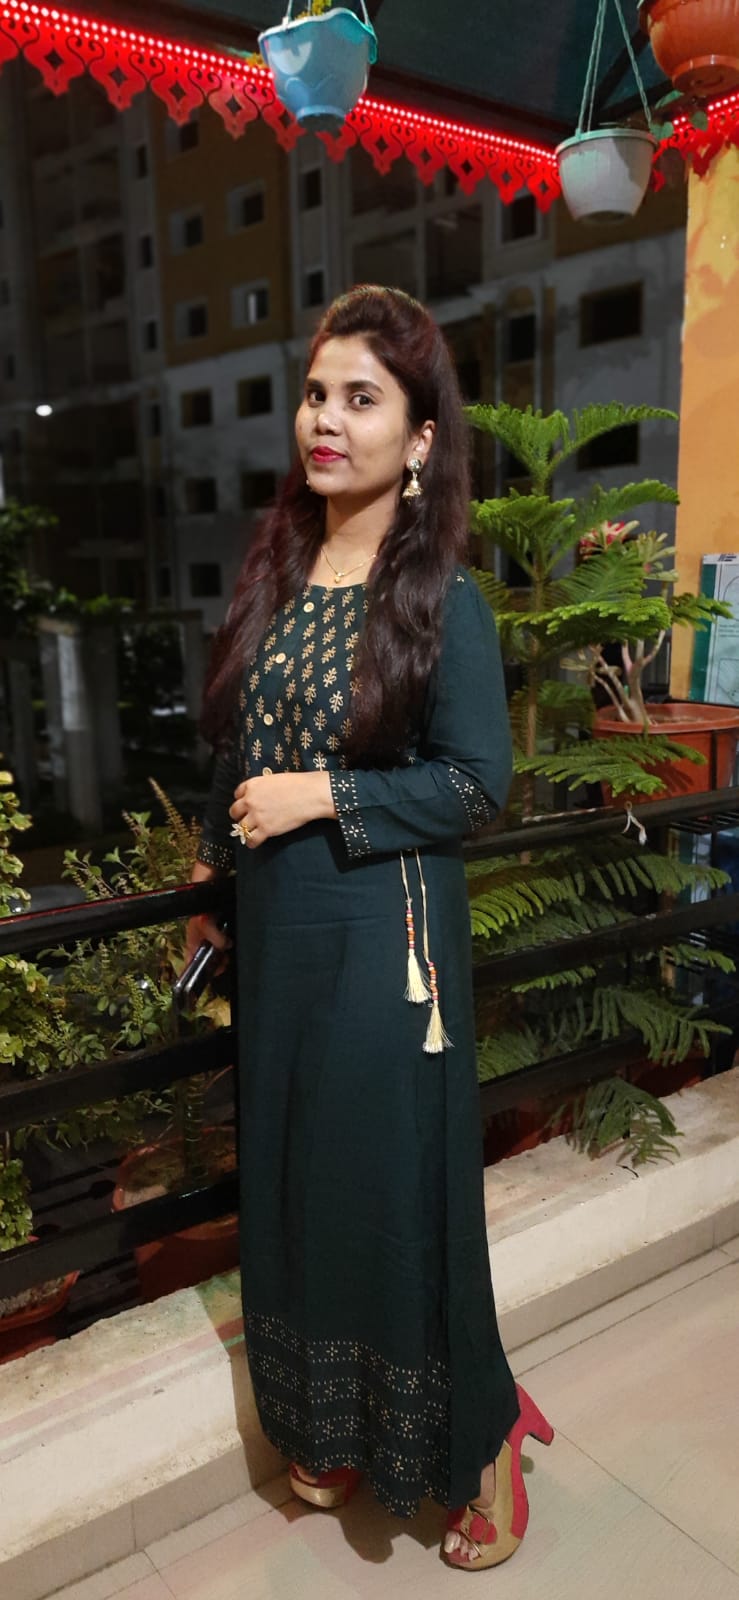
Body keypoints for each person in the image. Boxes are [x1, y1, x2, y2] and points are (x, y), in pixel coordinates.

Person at [186, 285, 552, 1571]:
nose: (324, 421)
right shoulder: (281, 574)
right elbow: (235, 745)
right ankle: (338, 1426)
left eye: (360, 398)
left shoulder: (443, 598)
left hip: (386, 947)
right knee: (302, 1186)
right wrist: (218, 862)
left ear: (420, 437)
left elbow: (475, 785)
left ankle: (481, 1441)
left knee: (392, 1193)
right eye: (315, 394)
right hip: (282, 941)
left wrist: (321, 797)